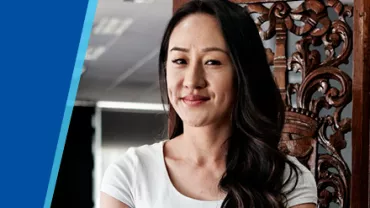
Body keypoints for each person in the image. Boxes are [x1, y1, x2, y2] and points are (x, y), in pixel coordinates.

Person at [100, 0, 318, 207]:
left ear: (242, 72)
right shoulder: (130, 174)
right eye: (180, 61)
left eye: (212, 62)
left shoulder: (288, 180)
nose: (192, 80)